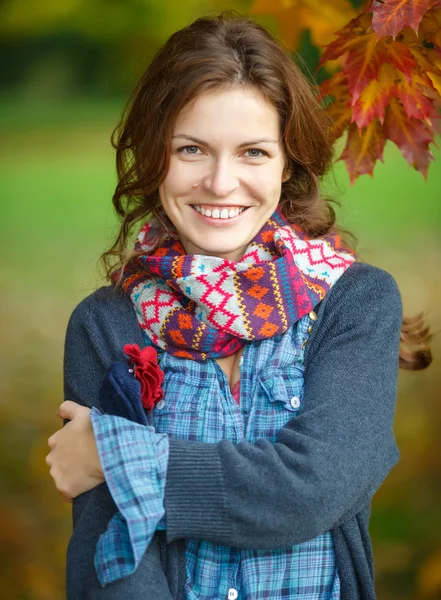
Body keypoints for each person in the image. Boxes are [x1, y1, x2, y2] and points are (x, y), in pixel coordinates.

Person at [45, 11, 432, 600]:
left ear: (287, 161)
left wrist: (117, 455)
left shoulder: (354, 303)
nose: (221, 183)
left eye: (253, 152)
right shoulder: (106, 323)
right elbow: (115, 562)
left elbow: (312, 490)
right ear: (155, 154)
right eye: (192, 149)